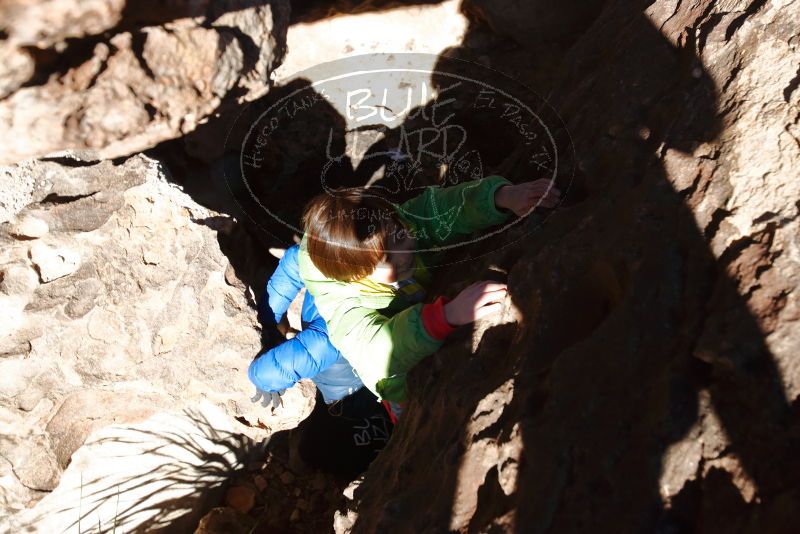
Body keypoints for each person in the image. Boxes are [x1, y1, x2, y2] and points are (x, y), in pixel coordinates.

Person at [297, 175, 560, 418]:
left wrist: (499, 197)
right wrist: (443, 316)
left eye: (400, 236)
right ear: (356, 276)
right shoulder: (344, 307)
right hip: (402, 386)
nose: (403, 253)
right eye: (387, 258)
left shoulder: (388, 226)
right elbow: (374, 352)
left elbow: (437, 210)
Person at [248, 245, 395, 478]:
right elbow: (279, 366)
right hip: (356, 392)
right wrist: (262, 379)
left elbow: (297, 259)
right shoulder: (344, 326)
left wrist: (269, 318)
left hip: (341, 380)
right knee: (372, 420)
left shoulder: (329, 254)